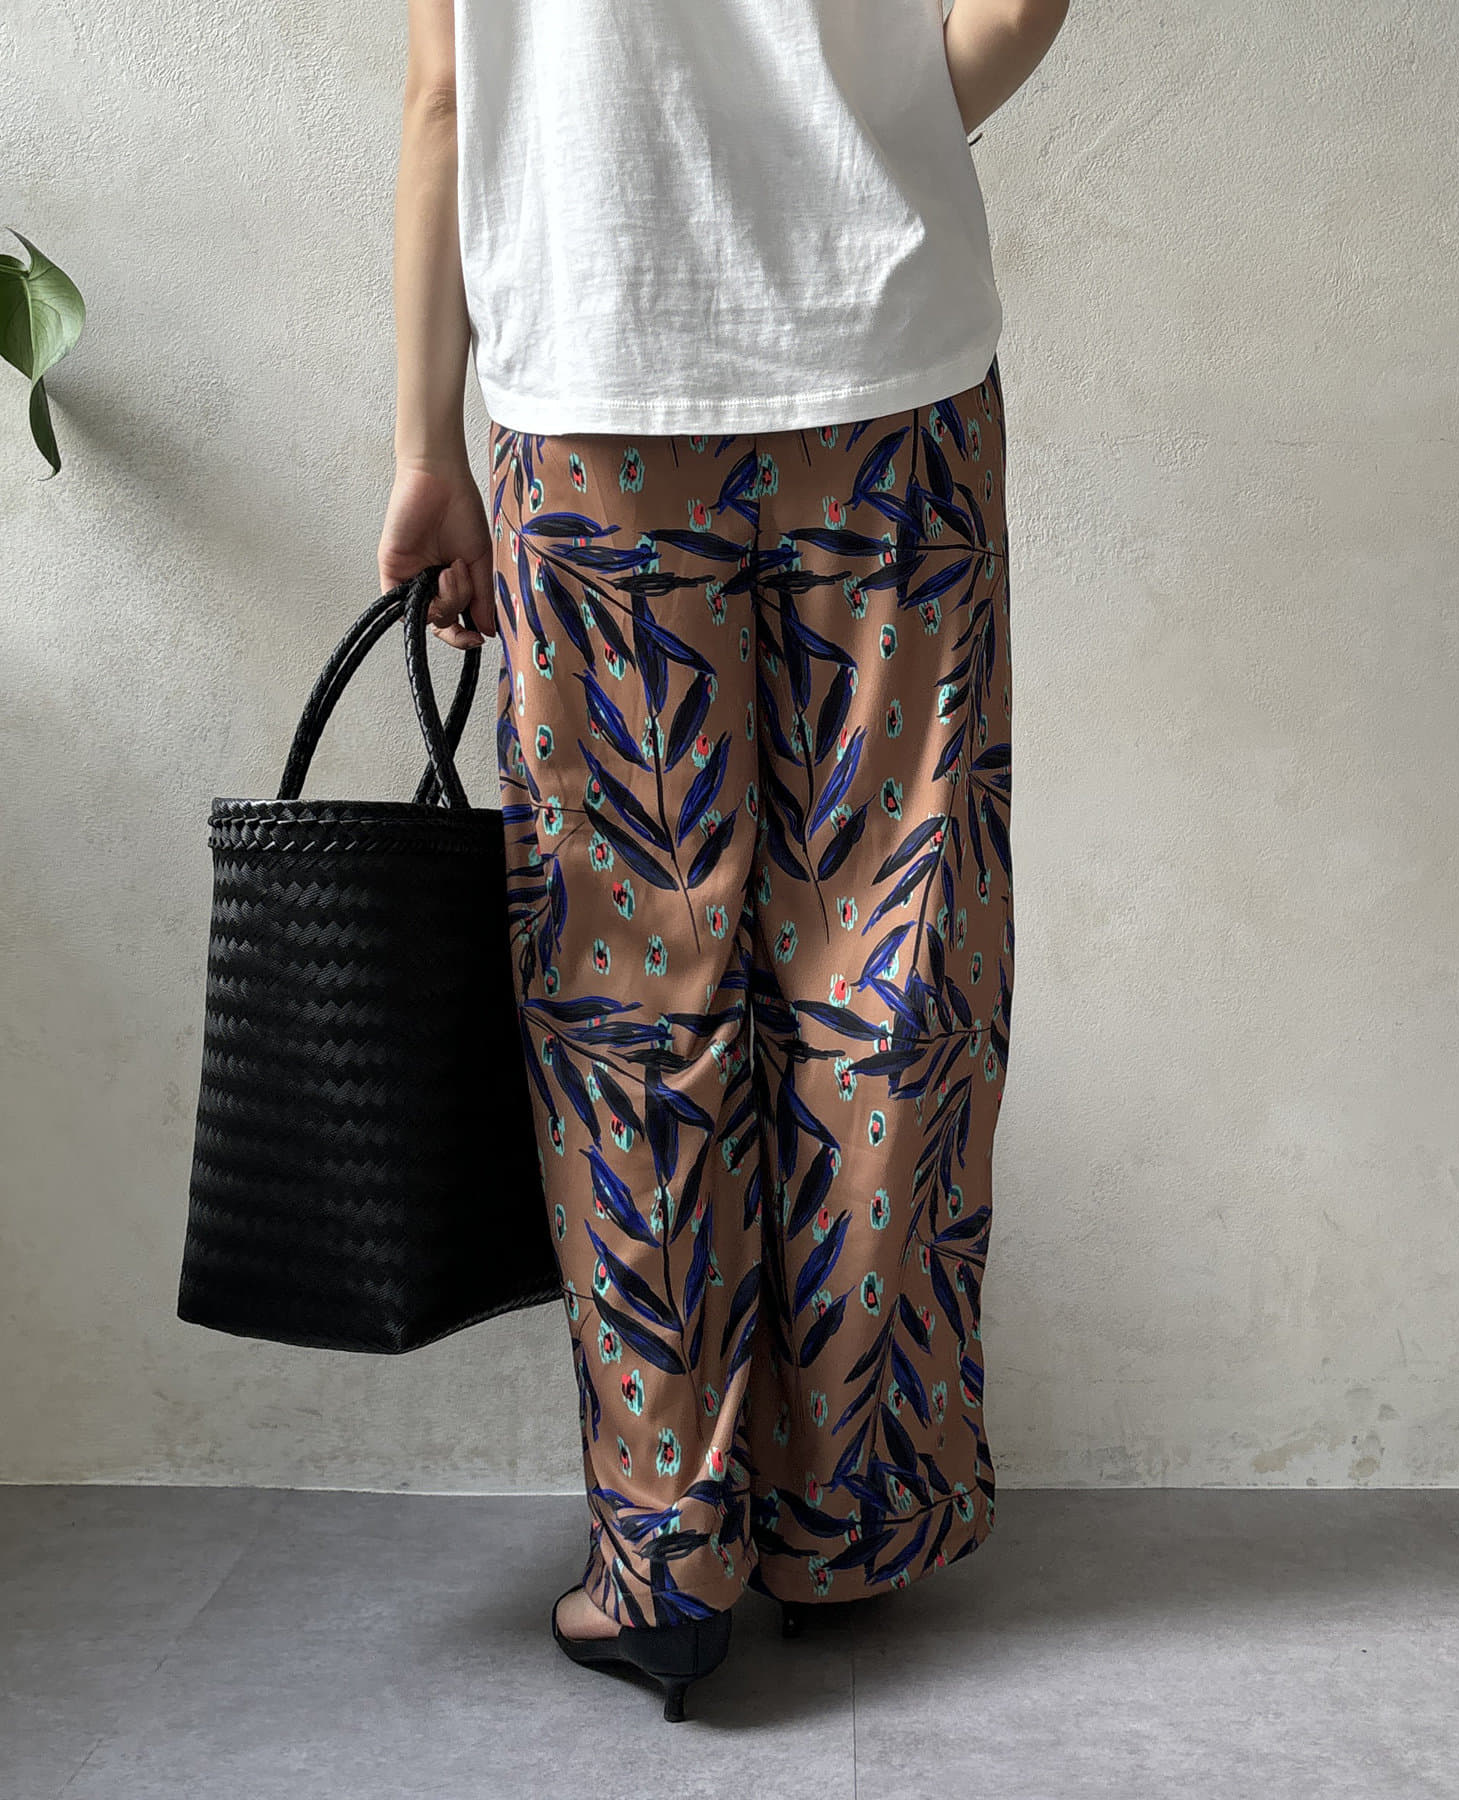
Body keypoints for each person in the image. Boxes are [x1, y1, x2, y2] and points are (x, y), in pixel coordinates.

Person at [379, 0, 1069, 1722]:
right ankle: (853, 1517)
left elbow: (446, 95)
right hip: (891, 379)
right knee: (887, 956)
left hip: (593, 392)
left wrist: (423, 455)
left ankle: (664, 1560)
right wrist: (869, 129)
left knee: (630, 988)